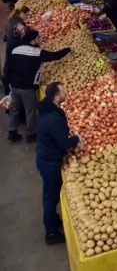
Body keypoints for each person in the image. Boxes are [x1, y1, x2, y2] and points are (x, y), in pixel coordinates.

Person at [35, 82, 80, 245]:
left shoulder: (49, 110)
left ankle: (52, 219)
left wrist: (66, 131)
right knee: (50, 196)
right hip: (49, 161)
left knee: (51, 194)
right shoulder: (53, 118)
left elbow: (57, 134)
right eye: (63, 91)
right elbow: (63, 144)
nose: (66, 93)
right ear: (56, 96)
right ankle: (51, 233)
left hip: (45, 156)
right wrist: (77, 139)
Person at [6, 30, 71, 143]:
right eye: (38, 38)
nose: (39, 39)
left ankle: (12, 132)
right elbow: (54, 56)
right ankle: (31, 135)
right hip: (28, 88)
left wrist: (8, 82)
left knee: (14, 109)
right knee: (30, 111)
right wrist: (69, 49)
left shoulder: (15, 50)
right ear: (32, 40)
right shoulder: (37, 52)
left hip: (15, 85)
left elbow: (9, 67)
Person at [3, 23, 26, 96]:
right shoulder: (17, 43)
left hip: (8, 71)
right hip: (12, 74)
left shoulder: (12, 38)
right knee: (12, 96)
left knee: (10, 95)